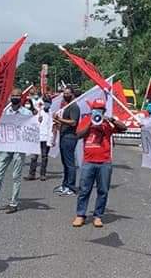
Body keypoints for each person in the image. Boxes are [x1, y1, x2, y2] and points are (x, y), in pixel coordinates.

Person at [72, 99, 127, 228]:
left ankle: (98, 216)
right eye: (96, 109)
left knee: (103, 190)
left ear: (104, 110)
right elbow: (78, 135)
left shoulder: (107, 123)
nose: (98, 111)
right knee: (84, 190)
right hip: (88, 161)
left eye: (101, 109)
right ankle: (80, 215)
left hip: (104, 162)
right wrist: (90, 123)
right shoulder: (86, 120)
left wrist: (111, 120)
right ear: (92, 110)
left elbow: (123, 128)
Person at [0, 88, 32, 214]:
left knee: (16, 176)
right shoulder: (5, 111)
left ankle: (14, 203)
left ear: (21, 97)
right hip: (6, 146)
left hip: (19, 147)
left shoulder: (27, 113)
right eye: (13, 95)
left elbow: (31, 129)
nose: (15, 97)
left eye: (17, 95)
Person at [53, 86, 81, 197]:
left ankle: (71, 187)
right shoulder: (67, 106)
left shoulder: (74, 107)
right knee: (65, 163)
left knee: (70, 164)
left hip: (70, 138)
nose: (65, 95)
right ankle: (65, 184)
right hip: (64, 136)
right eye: (64, 93)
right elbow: (66, 123)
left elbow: (73, 122)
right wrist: (58, 122)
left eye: (68, 93)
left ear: (73, 94)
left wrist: (60, 119)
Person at [27, 95, 53, 181]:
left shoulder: (51, 113)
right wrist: (37, 118)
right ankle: (32, 174)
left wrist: (51, 139)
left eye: (48, 103)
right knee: (34, 157)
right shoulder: (38, 111)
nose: (46, 105)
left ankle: (43, 174)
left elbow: (51, 127)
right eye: (45, 102)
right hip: (37, 137)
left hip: (46, 138)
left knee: (44, 157)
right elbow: (31, 116)